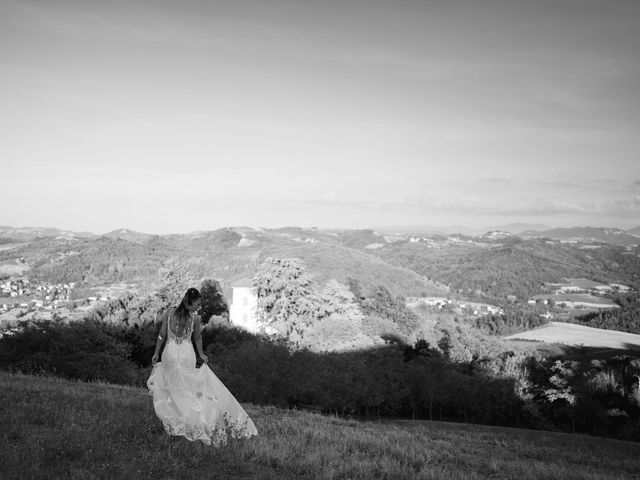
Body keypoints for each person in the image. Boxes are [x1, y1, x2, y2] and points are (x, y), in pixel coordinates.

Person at [147, 287, 258, 446]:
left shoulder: (169, 313)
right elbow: (198, 338)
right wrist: (201, 354)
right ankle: (194, 420)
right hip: (186, 355)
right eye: (197, 304)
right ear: (190, 303)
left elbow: (161, 334)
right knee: (189, 389)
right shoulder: (195, 319)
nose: (199, 307)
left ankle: (179, 419)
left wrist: (156, 352)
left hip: (170, 353)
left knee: (173, 389)